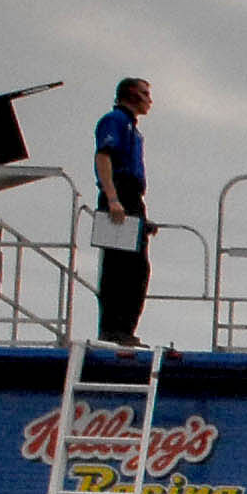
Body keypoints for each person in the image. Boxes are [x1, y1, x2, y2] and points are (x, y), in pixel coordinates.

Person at [92, 77, 155, 349]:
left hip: (132, 198)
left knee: (137, 269)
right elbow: (103, 157)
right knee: (119, 267)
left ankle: (125, 328)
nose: (149, 99)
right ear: (131, 95)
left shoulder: (133, 128)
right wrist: (113, 198)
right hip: (118, 194)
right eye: (145, 93)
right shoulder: (115, 120)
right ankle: (112, 329)